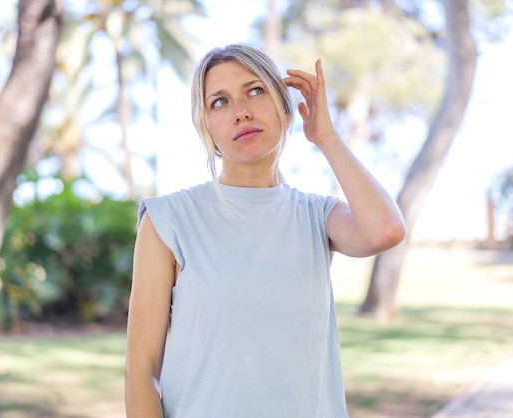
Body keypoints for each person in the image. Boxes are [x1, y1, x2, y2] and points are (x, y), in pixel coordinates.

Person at [124, 43, 406, 418]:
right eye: (219, 102)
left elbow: (385, 230)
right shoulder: (168, 220)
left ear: (285, 107)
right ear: (206, 124)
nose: (241, 112)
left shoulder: (317, 215)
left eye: (255, 91)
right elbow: (141, 372)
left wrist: (326, 137)